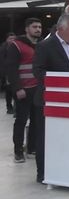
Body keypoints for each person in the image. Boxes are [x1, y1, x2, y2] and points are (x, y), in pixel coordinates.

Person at [33, 13, 69, 182]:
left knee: (65, 137)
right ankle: (43, 172)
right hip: (49, 100)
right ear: (61, 28)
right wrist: (61, 82)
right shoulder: (45, 45)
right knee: (45, 137)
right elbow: (38, 71)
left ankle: (64, 167)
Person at [5, 18, 41, 163]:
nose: (38, 29)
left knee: (36, 121)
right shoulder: (16, 45)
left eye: (39, 27)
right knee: (21, 121)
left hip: (38, 89)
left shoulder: (42, 44)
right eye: (34, 27)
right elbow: (11, 68)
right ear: (27, 29)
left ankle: (32, 148)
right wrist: (18, 88)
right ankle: (18, 151)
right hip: (23, 91)